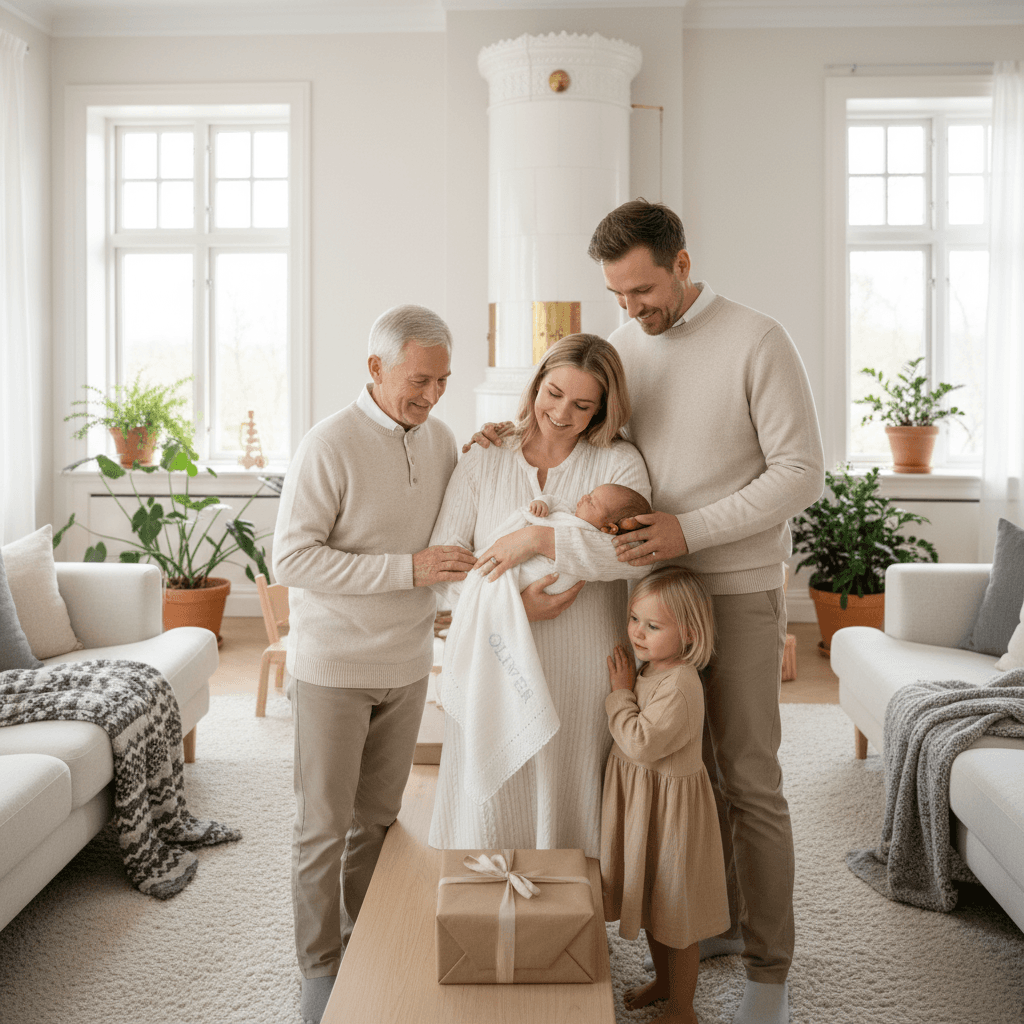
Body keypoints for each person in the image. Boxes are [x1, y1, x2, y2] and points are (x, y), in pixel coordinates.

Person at [470, 200, 824, 1024]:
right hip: (645, 594)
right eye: (616, 294)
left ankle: (770, 972)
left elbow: (801, 471)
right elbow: (582, 435)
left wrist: (689, 529)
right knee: (670, 777)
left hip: (730, 590)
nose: (631, 309)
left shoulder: (757, 339)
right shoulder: (624, 347)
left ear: (683, 263)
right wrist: (510, 430)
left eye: (643, 289)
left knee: (748, 776)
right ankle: (719, 923)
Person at [272, 304, 477, 1024]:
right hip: (333, 664)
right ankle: (319, 967)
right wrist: (409, 569)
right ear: (375, 368)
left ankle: (366, 938)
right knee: (322, 825)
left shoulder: (445, 438)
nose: (431, 395)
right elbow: (291, 558)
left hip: (409, 661)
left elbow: (458, 528)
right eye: (418, 380)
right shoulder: (327, 444)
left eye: (443, 381)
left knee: (380, 820)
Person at [428, 333, 652, 858]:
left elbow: (631, 553)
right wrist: (512, 608)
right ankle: (482, 910)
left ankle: (567, 921)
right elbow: (445, 558)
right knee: (493, 791)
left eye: (582, 404)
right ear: (535, 386)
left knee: (568, 780)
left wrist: (536, 538)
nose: (560, 413)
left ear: (602, 410)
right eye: (553, 393)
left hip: (582, 659)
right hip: (494, 655)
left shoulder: (619, 464)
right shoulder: (485, 456)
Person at [602, 566, 729, 1024]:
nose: (637, 632)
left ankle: (683, 1008)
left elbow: (641, 741)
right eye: (635, 619)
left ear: (689, 634)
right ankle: (664, 983)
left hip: (672, 817)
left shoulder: (679, 685)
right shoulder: (652, 667)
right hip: (649, 807)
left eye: (652, 626)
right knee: (658, 907)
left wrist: (618, 695)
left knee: (677, 921)